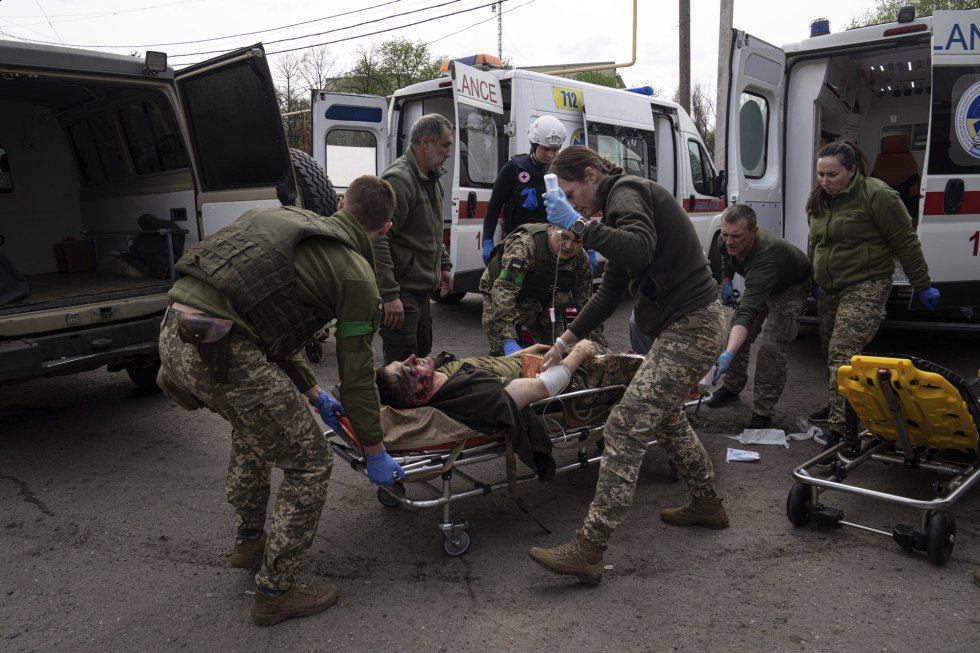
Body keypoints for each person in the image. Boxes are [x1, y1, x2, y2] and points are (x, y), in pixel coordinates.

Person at [155, 176, 405, 627]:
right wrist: (374, 449)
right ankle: (275, 591)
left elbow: (269, 317)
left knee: (255, 429)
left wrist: (312, 392)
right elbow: (357, 374)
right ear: (385, 229)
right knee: (309, 460)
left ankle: (249, 540)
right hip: (221, 350)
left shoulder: (287, 221)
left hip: (175, 330)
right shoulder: (355, 274)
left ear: (341, 202)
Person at [527, 146, 728, 585]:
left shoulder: (628, 192)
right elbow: (609, 291)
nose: (572, 202)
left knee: (625, 424)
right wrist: (564, 341)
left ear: (591, 175)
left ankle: (590, 548)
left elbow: (640, 249)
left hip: (693, 325)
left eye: (571, 191)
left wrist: (579, 224)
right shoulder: (614, 214)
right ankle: (707, 503)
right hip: (684, 326)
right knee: (664, 416)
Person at [806, 141, 940, 447]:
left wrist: (922, 285)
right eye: (820, 174)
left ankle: (842, 432)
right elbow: (816, 241)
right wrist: (812, 276)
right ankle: (842, 402)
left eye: (832, 174)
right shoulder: (820, 200)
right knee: (830, 354)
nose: (825, 181)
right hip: (830, 287)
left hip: (866, 284)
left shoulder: (878, 196)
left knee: (843, 353)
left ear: (853, 171)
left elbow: (905, 242)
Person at [377, 341, 599, 480]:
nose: (412, 358)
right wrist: (579, 352)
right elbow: (544, 387)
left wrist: (521, 354)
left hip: (536, 363)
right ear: (419, 396)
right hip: (576, 380)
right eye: (408, 369)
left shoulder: (442, 377)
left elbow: (483, 367)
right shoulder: (475, 395)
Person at [704, 204, 811, 431]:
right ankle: (732, 388)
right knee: (735, 333)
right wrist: (725, 279)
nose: (730, 241)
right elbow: (726, 255)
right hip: (760, 282)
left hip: (789, 286)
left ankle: (763, 411)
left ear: (754, 232)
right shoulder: (725, 238)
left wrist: (728, 353)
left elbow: (747, 312)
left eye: (737, 236)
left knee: (771, 347)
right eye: (726, 234)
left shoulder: (767, 256)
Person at [376, 113, 455, 365]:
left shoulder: (432, 179)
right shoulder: (399, 180)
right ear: (425, 142)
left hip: (421, 293)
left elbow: (432, 229)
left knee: (420, 362)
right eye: (446, 145)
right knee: (402, 372)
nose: (449, 153)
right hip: (402, 294)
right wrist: (389, 296)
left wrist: (443, 265)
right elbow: (378, 240)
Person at [479, 223, 605, 355]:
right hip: (499, 292)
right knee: (504, 353)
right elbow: (503, 292)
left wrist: (598, 348)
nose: (568, 246)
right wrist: (507, 341)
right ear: (554, 228)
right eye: (565, 237)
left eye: (576, 241)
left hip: (542, 297)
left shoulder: (581, 260)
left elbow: (587, 306)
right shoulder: (524, 246)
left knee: (555, 352)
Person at [481, 115, 567, 264]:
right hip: (516, 244)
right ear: (534, 145)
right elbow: (494, 206)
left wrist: (588, 246)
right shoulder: (514, 168)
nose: (550, 155)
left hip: (550, 245)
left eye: (555, 150)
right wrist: (487, 240)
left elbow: (576, 207)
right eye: (545, 149)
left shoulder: (563, 171)